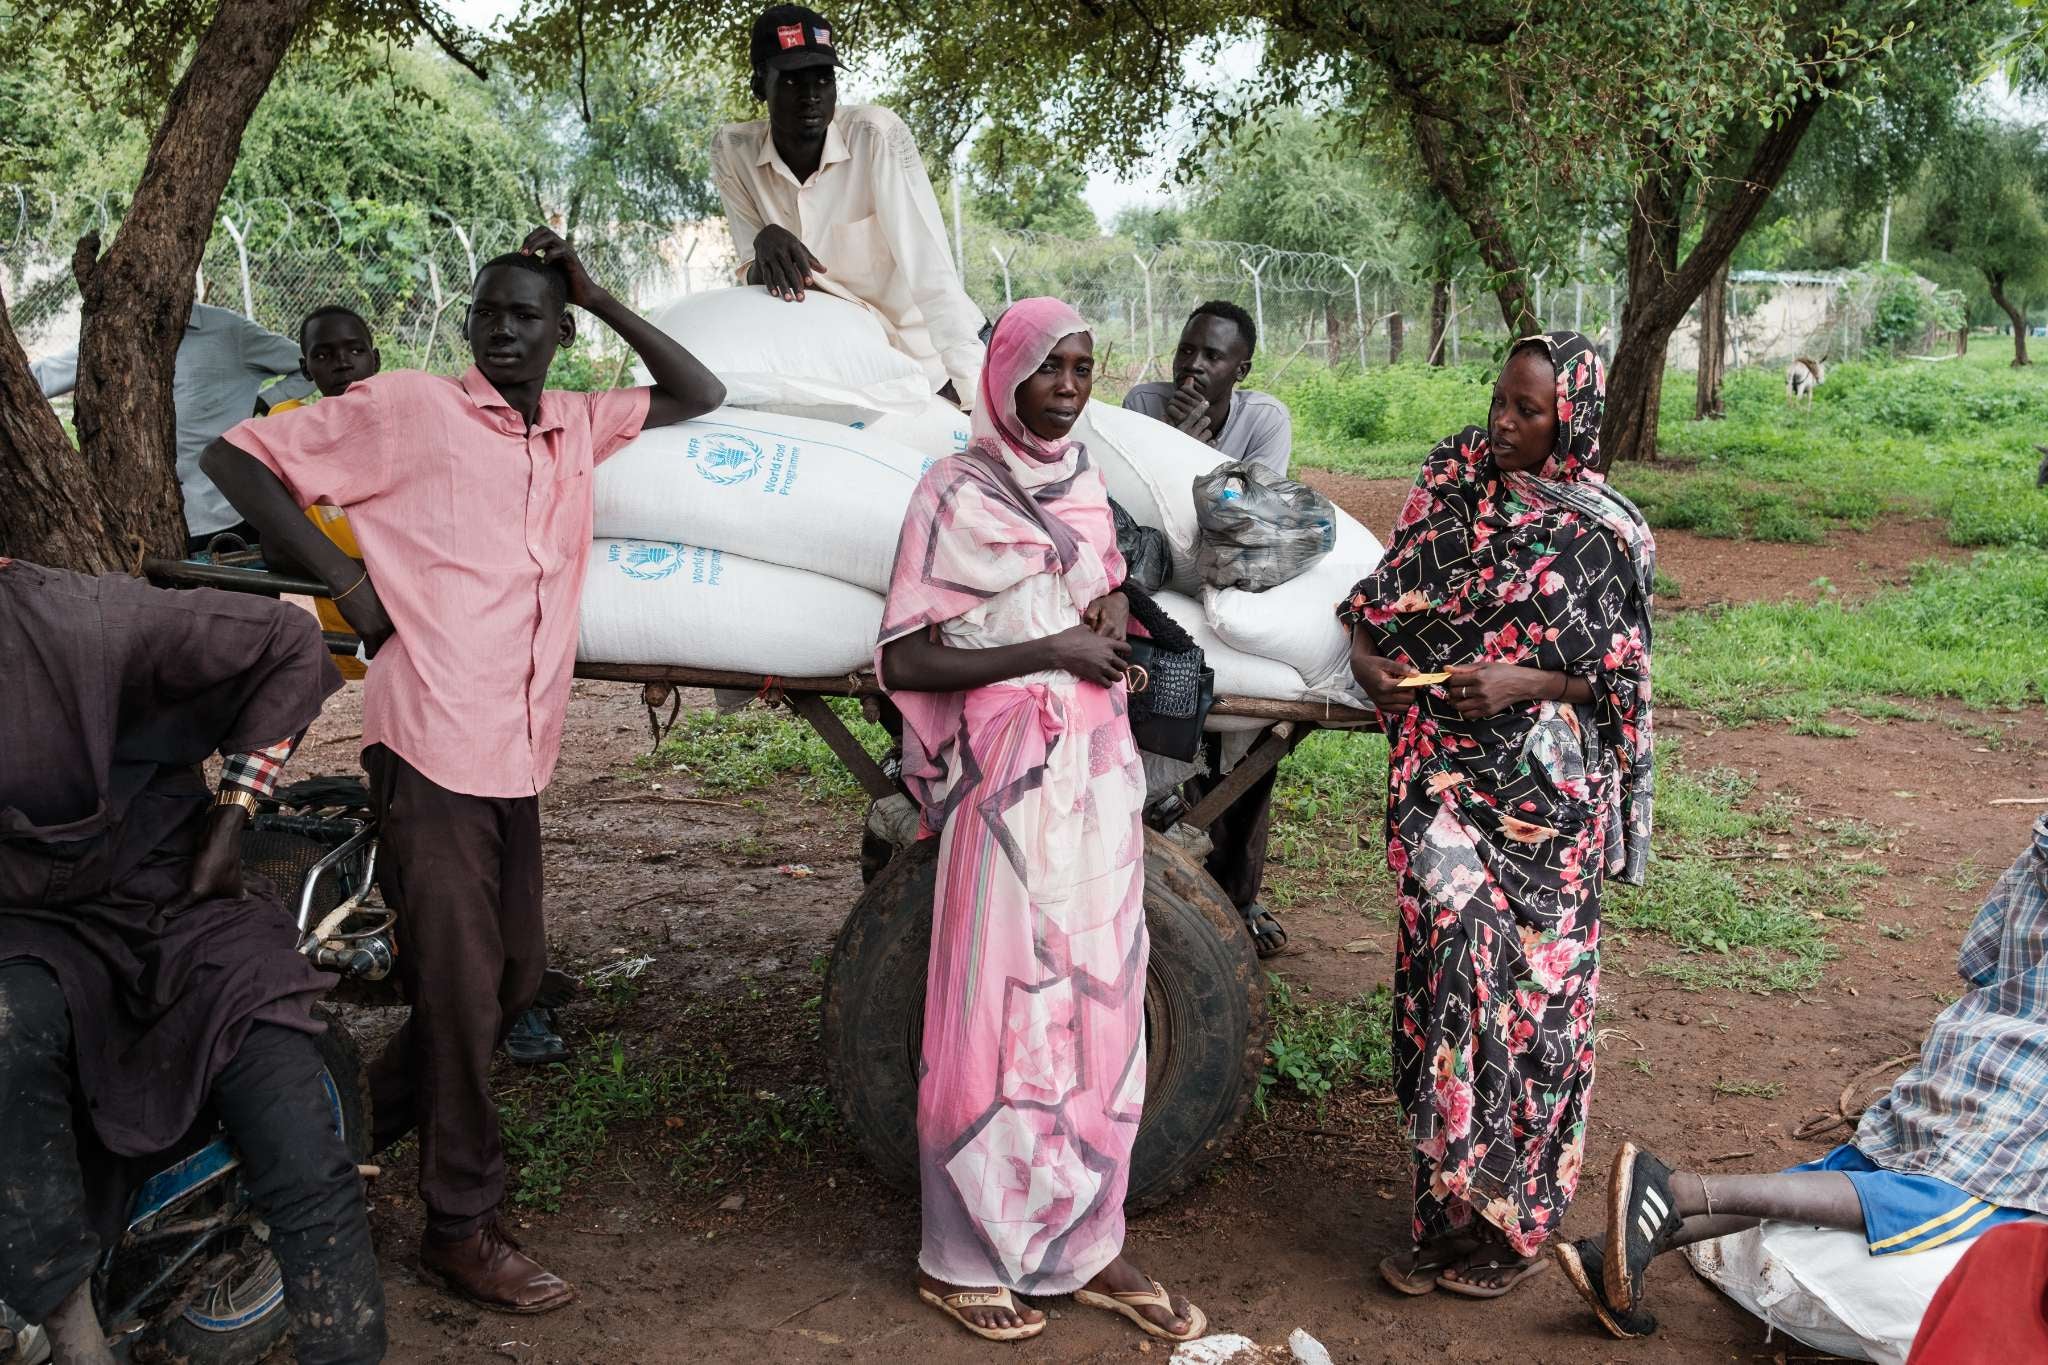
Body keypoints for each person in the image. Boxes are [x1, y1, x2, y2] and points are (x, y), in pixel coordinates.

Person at [199, 228, 724, 1313]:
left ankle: (319, 1141)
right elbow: (235, 459)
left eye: (527, 314)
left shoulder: (576, 423)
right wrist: (342, 577)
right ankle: (460, 1223)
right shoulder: (410, 410)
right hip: (429, 740)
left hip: (514, 754)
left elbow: (698, 391)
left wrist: (600, 292)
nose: (500, 329)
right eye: (487, 312)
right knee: (455, 987)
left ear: (559, 330)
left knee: (508, 982)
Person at [876, 297, 1205, 1346]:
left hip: (1094, 782)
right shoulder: (951, 491)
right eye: (1049, 369)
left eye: (1081, 368)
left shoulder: (1083, 482)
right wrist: (1047, 651)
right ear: (1005, 372)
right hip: (1007, 785)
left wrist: (1103, 611)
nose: (1067, 388)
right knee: (999, 1008)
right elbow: (905, 660)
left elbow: (1092, 584)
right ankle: (964, 1251)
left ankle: (1082, 1242)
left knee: (1096, 1010)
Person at [0, 559, 384, 1365]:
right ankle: (70, 1333)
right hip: (26, 924)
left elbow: (287, 637)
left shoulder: (85, 619)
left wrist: (228, 822)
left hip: (167, 894)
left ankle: (342, 1340)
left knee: (280, 1084)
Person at [1341, 331, 1655, 1298]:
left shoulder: (1607, 532)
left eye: (1529, 410)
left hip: (1547, 802)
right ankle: (1443, 1207)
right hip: (1441, 770)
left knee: (1535, 1004)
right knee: (1448, 956)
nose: (1504, 424)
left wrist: (1525, 677)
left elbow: (1624, 683)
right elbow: (1377, 606)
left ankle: (1511, 1224)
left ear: (1574, 416)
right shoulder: (1453, 480)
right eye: (1500, 402)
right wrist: (1370, 669)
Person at [1557, 815, 2048, 1340]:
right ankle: (1679, 1192)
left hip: (1976, 1041)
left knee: (1864, 1169)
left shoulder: (2039, 850)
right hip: (2033, 1079)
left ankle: (1614, 1250)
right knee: (1945, 1200)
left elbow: (1979, 956)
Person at [710, 4, 984, 406]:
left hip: (925, 363)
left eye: (823, 79)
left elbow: (931, 270)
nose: (811, 97)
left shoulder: (875, 137)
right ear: (758, 84)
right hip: (835, 370)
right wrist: (762, 242)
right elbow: (757, 281)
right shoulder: (733, 152)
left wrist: (974, 396)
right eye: (791, 82)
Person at [32, 301, 314, 552]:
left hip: (225, 510)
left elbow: (308, 366)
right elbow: (44, 376)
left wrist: (264, 402)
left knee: (244, 607)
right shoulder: (113, 336)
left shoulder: (229, 332)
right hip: (141, 520)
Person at [1120, 301, 1291, 475]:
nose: (1193, 364)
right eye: (1186, 351)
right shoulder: (1142, 404)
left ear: (1241, 371)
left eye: (1212, 356)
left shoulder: (1266, 419)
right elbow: (1123, 486)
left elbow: (1259, 500)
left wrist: (1193, 457)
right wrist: (1170, 446)